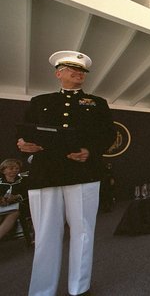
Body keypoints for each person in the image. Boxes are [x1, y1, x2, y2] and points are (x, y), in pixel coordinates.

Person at [17, 50, 116, 296]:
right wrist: (21, 143)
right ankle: (42, 291)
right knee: (45, 236)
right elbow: (24, 133)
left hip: (82, 173)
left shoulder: (97, 103)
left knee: (83, 232)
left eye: (82, 70)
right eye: (72, 69)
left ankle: (79, 288)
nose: (78, 73)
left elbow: (108, 135)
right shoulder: (40, 102)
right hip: (45, 174)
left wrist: (90, 151)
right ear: (58, 73)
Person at [0, 159, 27, 240]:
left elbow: (26, 193)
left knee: (14, 212)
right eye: (11, 168)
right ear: (3, 171)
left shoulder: (23, 181)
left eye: (17, 168)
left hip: (20, 206)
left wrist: (16, 197)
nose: (15, 170)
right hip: (2, 206)